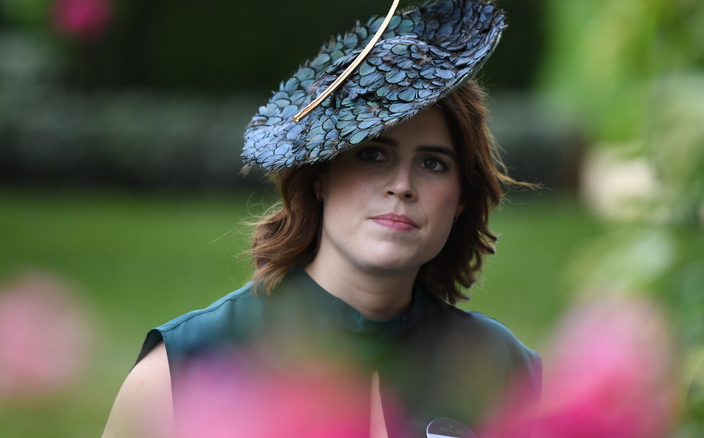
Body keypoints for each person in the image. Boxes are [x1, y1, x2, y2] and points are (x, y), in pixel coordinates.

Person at [103, 1, 541, 437]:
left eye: (433, 164)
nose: (402, 185)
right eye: (372, 154)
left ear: (462, 197)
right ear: (320, 178)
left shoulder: (504, 370)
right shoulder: (187, 365)